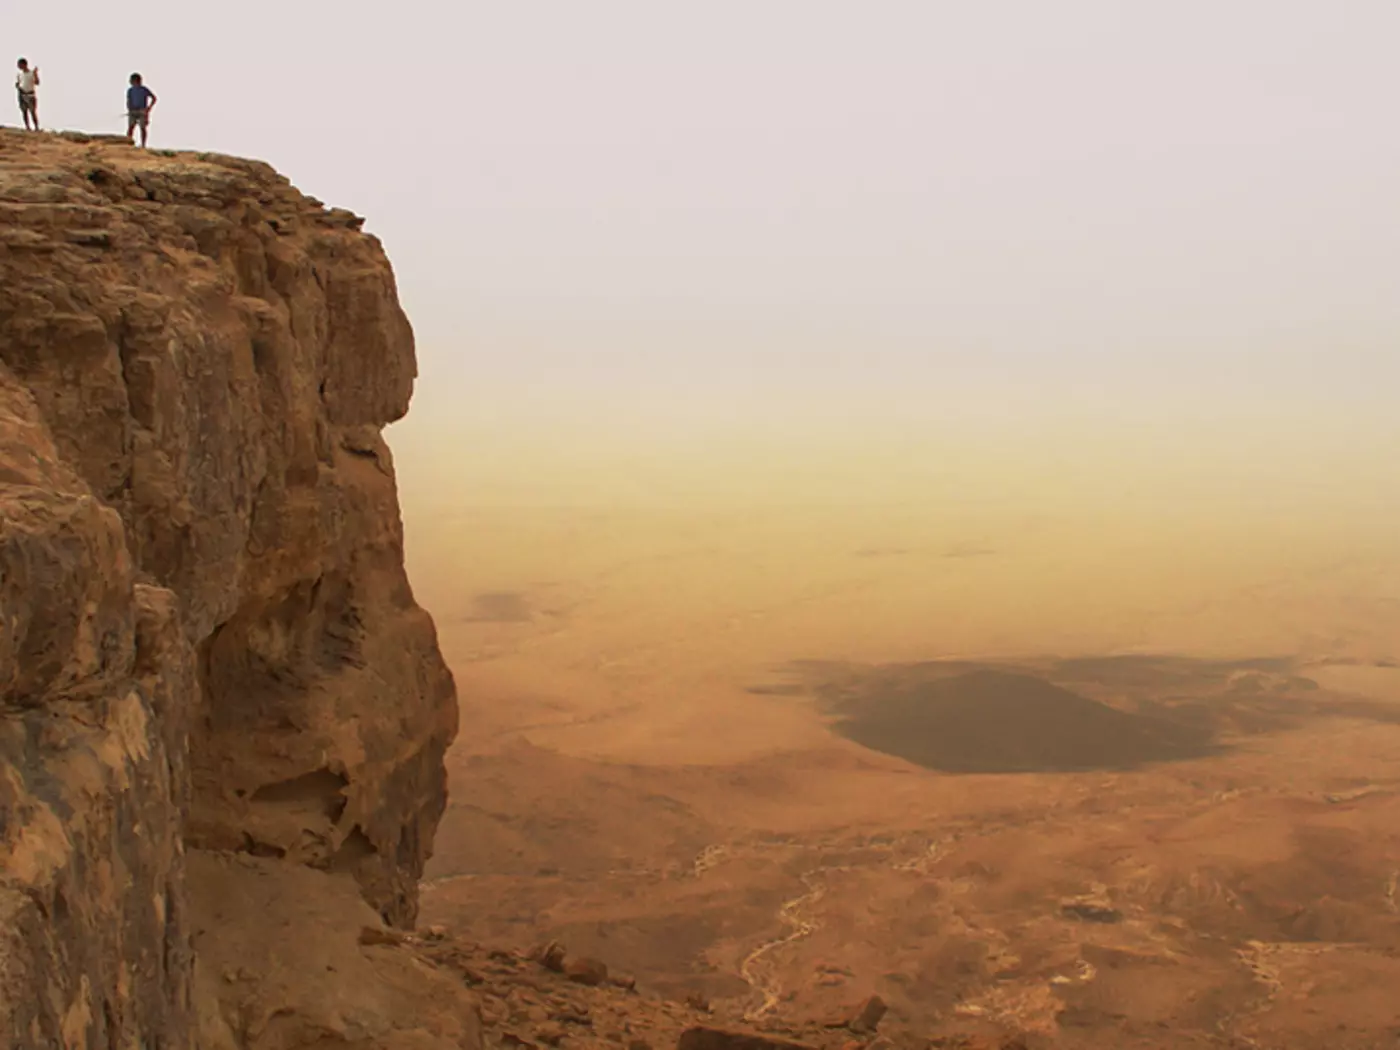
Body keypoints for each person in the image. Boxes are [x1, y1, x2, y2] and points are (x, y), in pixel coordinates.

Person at [126, 73, 157, 147]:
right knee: (131, 127)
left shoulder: (144, 89)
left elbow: (154, 98)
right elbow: (128, 100)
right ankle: (128, 143)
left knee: (142, 127)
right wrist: (129, 109)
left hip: (142, 110)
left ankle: (143, 144)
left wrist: (149, 108)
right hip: (133, 110)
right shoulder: (130, 90)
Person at [16, 58, 39, 130]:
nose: (19, 66)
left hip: (30, 94)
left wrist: (35, 74)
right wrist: (18, 86)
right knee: (24, 111)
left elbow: (37, 82)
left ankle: (36, 127)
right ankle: (27, 127)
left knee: (32, 111)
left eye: (20, 65)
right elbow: (19, 82)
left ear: (24, 64)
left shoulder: (31, 73)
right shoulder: (19, 74)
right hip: (22, 94)